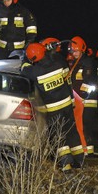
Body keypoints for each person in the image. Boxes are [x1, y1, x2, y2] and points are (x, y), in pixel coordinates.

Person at [22, 42, 84, 171]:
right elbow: (67, 77)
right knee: (71, 131)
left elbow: (24, 69)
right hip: (67, 103)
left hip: (53, 108)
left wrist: (24, 57)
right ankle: (79, 161)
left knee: (58, 136)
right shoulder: (58, 62)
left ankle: (66, 164)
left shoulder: (36, 71)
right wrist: (49, 50)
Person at [68, 36, 98, 156]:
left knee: (86, 126)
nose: (74, 53)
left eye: (76, 51)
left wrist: (82, 94)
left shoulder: (88, 63)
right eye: (73, 51)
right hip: (79, 99)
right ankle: (86, 151)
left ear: (82, 50)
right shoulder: (77, 63)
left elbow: (89, 80)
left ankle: (88, 152)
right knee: (81, 126)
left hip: (86, 100)